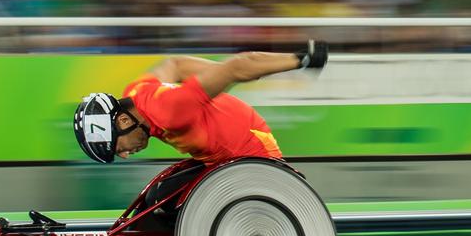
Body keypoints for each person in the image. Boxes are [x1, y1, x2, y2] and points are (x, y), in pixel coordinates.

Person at [73, 40, 327, 167]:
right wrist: (215, 79)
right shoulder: (135, 93)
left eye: (118, 149)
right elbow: (175, 64)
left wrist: (302, 60)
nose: (126, 154)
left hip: (251, 152)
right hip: (215, 160)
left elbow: (238, 66)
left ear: (124, 121)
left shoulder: (170, 111)